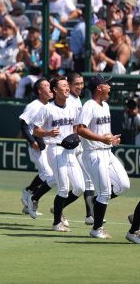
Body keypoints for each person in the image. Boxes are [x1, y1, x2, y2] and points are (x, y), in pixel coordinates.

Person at [76, 74, 130, 239]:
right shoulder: (89, 105)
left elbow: (103, 131)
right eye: (107, 84)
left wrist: (112, 138)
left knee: (123, 185)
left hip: (107, 152)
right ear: (99, 87)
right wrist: (102, 139)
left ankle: (96, 202)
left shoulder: (105, 105)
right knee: (105, 192)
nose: (110, 87)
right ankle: (96, 228)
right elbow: (80, 129)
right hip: (93, 154)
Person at [33, 76, 85, 232]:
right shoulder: (47, 108)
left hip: (70, 151)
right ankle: (56, 223)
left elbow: (76, 127)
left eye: (67, 85)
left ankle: (57, 209)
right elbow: (35, 130)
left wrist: (76, 137)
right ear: (55, 90)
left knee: (79, 188)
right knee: (63, 188)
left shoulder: (73, 107)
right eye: (63, 86)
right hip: (55, 149)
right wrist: (48, 132)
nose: (67, 88)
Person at [19, 78, 56, 217]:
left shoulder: (49, 105)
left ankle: (28, 194)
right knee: (48, 174)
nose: (50, 88)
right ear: (40, 90)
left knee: (48, 173)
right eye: (46, 86)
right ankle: (29, 196)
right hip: (36, 145)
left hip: (46, 144)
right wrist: (31, 141)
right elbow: (23, 125)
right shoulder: (33, 105)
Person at [66, 73, 95, 225]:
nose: (80, 87)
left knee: (87, 180)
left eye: (81, 83)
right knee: (65, 184)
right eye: (76, 84)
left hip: (79, 145)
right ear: (69, 84)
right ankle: (35, 198)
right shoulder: (68, 100)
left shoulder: (77, 99)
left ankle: (90, 215)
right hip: (68, 148)